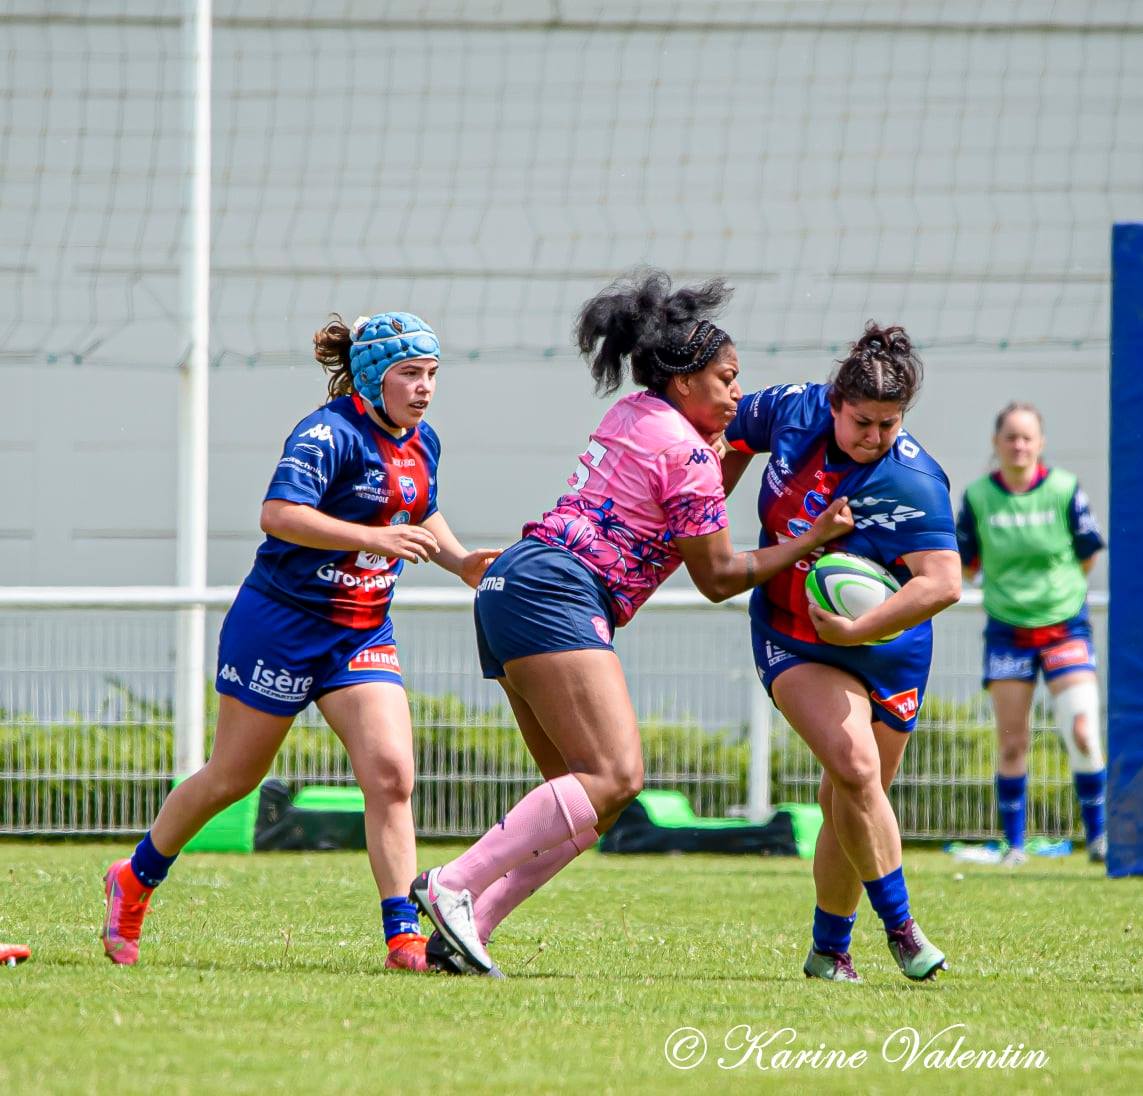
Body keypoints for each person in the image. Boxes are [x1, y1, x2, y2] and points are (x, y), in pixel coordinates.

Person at [411, 270, 852, 976]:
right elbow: (718, 577)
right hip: (557, 593)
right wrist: (812, 536)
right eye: (727, 378)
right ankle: (453, 885)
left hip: (512, 583)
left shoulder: (636, 415)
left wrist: (730, 450)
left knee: (590, 804)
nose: (737, 393)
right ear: (685, 383)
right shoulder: (685, 454)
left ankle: (467, 931)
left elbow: (688, 497)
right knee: (616, 776)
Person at [100, 312, 496, 972]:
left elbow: (418, 507)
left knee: (393, 775)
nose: (425, 388)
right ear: (372, 377)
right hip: (280, 624)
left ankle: (403, 937)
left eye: (432, 375)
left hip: (360, 629)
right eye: (410, 374)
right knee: (233, 777)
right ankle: (134, 879)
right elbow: (278, 515)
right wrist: (372, 538)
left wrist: (460, 562)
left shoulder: (422, 441)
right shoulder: (327, 433)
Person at [720, 323, 962, 984]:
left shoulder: (912, 480)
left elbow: (943, 583)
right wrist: (707, 508)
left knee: (851, 797)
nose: (874, 437)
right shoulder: (794, 411)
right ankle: (903, 930)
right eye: (863, 422)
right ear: (835, 404)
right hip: (793, 634)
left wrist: (860, 631)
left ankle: (829, 950)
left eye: (889, 424)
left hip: (888, 649)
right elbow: (723, 426)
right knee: (855, 768)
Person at [955, 402, 1107, 866]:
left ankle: (1099, 839)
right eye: (1010, 437)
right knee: (1012, 740)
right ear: (996, 443)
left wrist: (1056, 596)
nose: (1018, 445)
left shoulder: (1064, 490)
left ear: (1040, 443)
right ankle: (1014, 846)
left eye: (1027, 437)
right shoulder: (979, 497)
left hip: (1064, 627)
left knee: (1083, 731)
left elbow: (1087, 553)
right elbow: (965, 563)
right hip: (1007, 632)